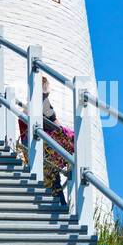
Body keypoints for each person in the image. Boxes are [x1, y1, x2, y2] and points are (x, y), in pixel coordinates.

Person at [18, 76, 74, 208]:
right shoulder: (44, 102)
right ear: (44, 88)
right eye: (48, 86)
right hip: (43, 147)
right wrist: (69, 137)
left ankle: (57, 206)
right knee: (53, 178)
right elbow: (55, 123)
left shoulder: (30, 105)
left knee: (50, 179)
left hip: (33, 147)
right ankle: (61, 208)